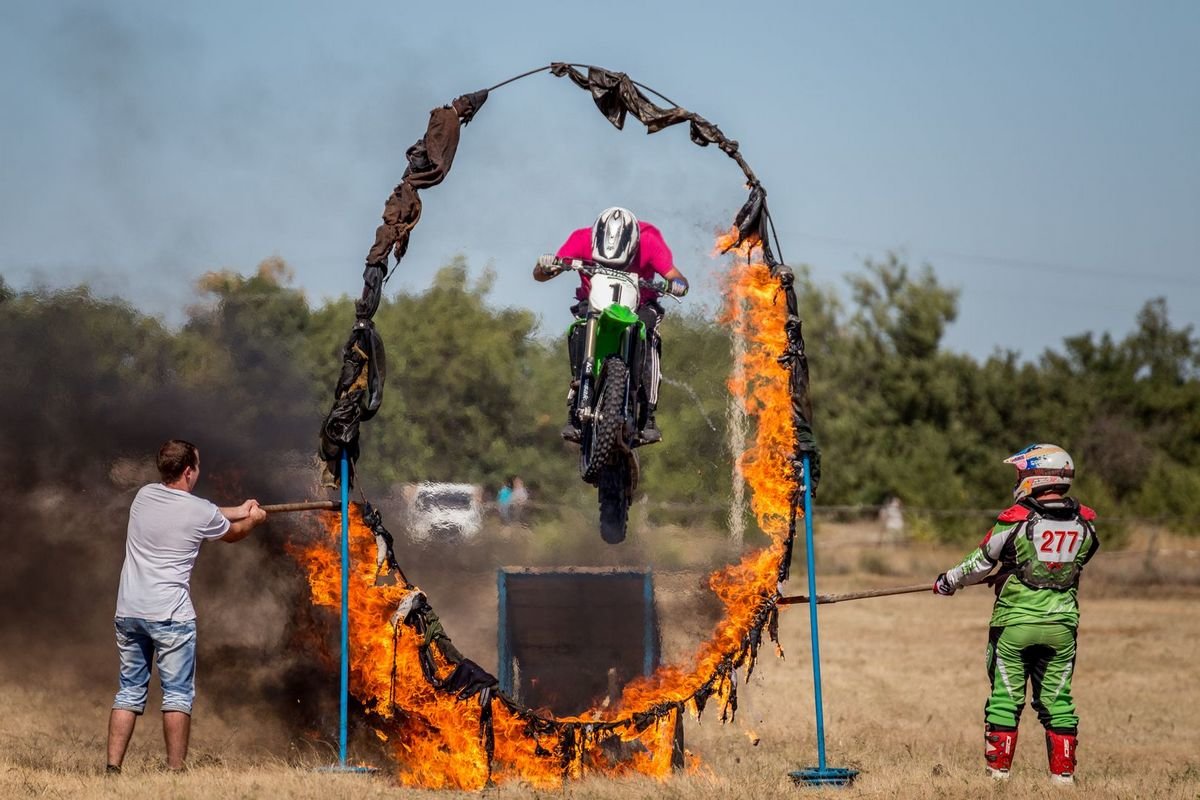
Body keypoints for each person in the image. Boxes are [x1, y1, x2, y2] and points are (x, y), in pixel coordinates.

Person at [933, 444, 1100, 785]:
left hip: (1015, 625)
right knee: (1057, 700)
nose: (1018, 479)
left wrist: (948, 581)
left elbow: (978, 564)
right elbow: (1066, 565)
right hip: (1062, 627)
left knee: (1005, 699)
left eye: (1021, 473)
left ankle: (997, 779)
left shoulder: (1017, 519)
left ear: (1036, 476)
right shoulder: (1086, 525)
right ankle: (1063, 780)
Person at [105, 439, 268, 773]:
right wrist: (253, 520)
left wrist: (239, 507)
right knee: (177, 695)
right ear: (189, 471)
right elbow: (232, 533)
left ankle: (112, 768)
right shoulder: (198, 511)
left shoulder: (144, 496)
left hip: (130, 611)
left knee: (129, 692)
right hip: (171, 617)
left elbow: (203, 510)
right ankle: (176, 770)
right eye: (198, 465)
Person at [533, 207, 689, 445]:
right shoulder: (581, 239)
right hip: (594, 304)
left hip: (640, 304)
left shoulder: (649, 240)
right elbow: (544, 273)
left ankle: (648, 414)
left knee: (649, 335)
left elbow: (676, 276)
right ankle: (578, 398)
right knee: (580, 328)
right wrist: (545, 266)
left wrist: (677, 284)